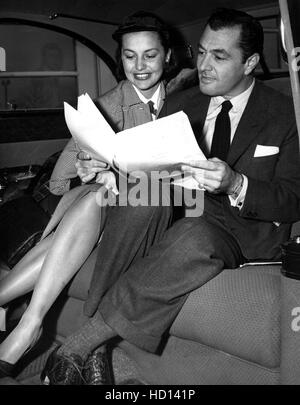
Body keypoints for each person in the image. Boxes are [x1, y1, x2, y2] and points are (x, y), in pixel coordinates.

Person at [40, 7, 300, 385]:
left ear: (251, 63)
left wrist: (235, 184)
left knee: (194, 236)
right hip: (182, 205)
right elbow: (148, 168)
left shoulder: (285, 112)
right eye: (202, 51)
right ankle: (93, 347)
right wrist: (108, 172)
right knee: (138, 196)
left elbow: (293, 197)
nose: (204, 65)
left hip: (240, 226)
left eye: (220, 56)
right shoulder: (181, 103)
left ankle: (81, 344)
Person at [0, 11, 176, 381]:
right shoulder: (107, 104)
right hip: (104, 205)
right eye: (130, 56)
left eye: (150, 55)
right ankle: (30, 325)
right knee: (95, 194)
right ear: (120, 58)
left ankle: (21, 318)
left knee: (97, 200)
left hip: (163, 206)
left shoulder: (189, 100)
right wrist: (87, 166)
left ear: (168, 56)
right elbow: (63, 179)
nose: (140, 66)